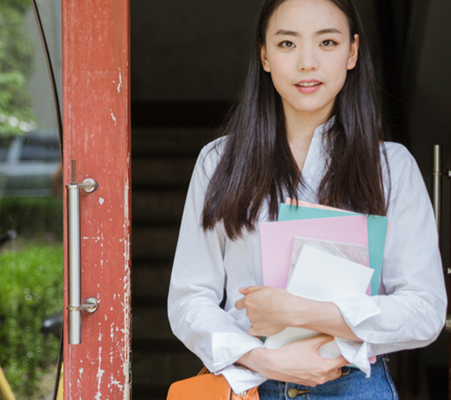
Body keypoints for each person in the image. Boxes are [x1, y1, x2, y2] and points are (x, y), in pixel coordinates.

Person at [167, 0, 447, 398]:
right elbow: (189, 299)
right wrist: (263, 359)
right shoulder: (219, 162)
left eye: (327, 42)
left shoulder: (391, 168)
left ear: (352, 52)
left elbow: (425, 311)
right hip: (249, 382)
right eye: (287, 44)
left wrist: (305, 312)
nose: (307, 63)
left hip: (353, 385)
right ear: (264, 55)